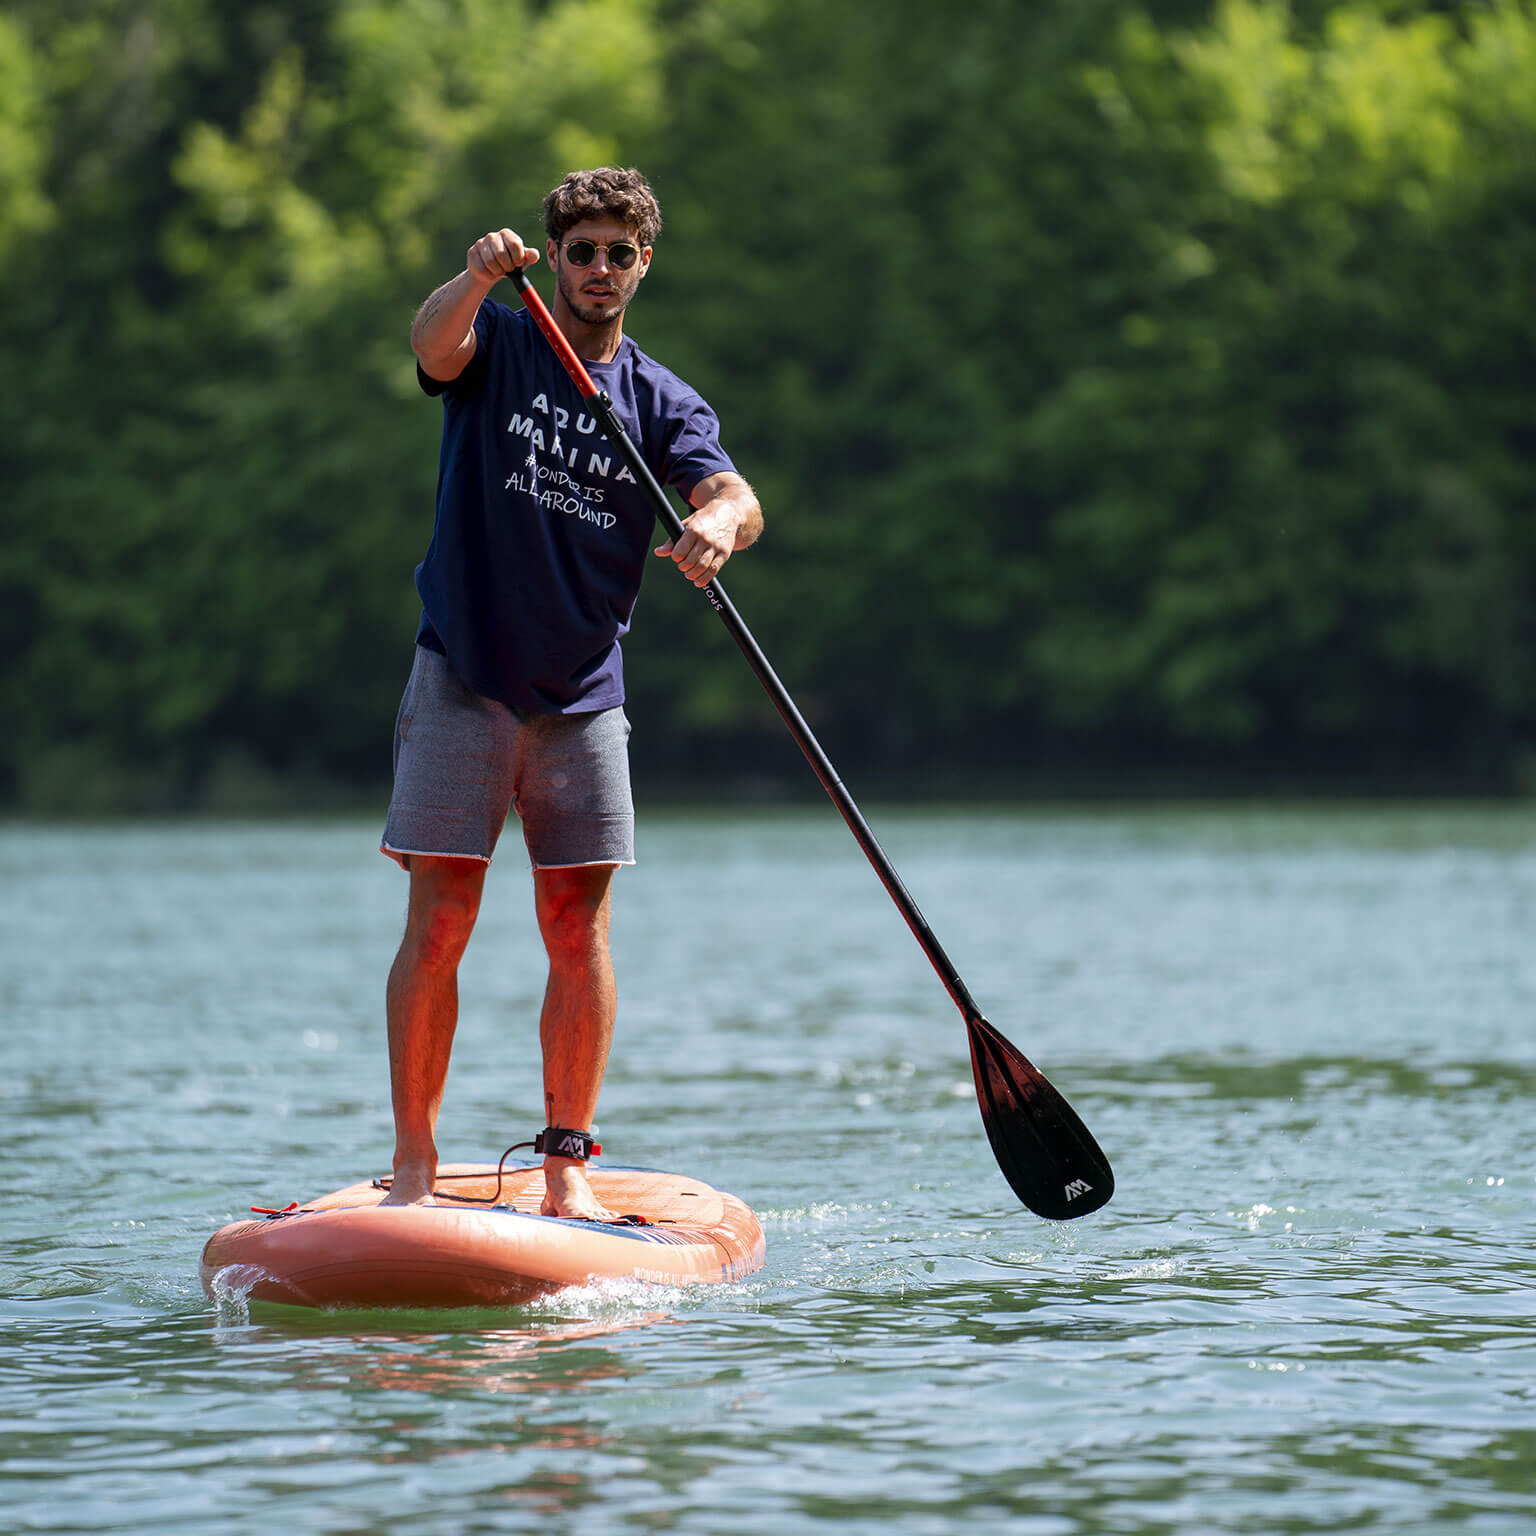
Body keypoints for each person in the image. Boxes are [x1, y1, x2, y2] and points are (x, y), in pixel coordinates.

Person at [380, 167, 763, 1220]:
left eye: (619, 253)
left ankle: (565, 1168)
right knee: (443, 915)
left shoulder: (660, 397)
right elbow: (430, 347)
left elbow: (730, 490)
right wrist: (471, 278)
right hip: (463, 671)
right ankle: (415, 1166)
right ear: (555, 259)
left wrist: (718, 526)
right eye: (581, 251)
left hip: (584, 695)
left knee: (575, 926)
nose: (600, 269)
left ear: (644, 265)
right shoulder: (502, 341)